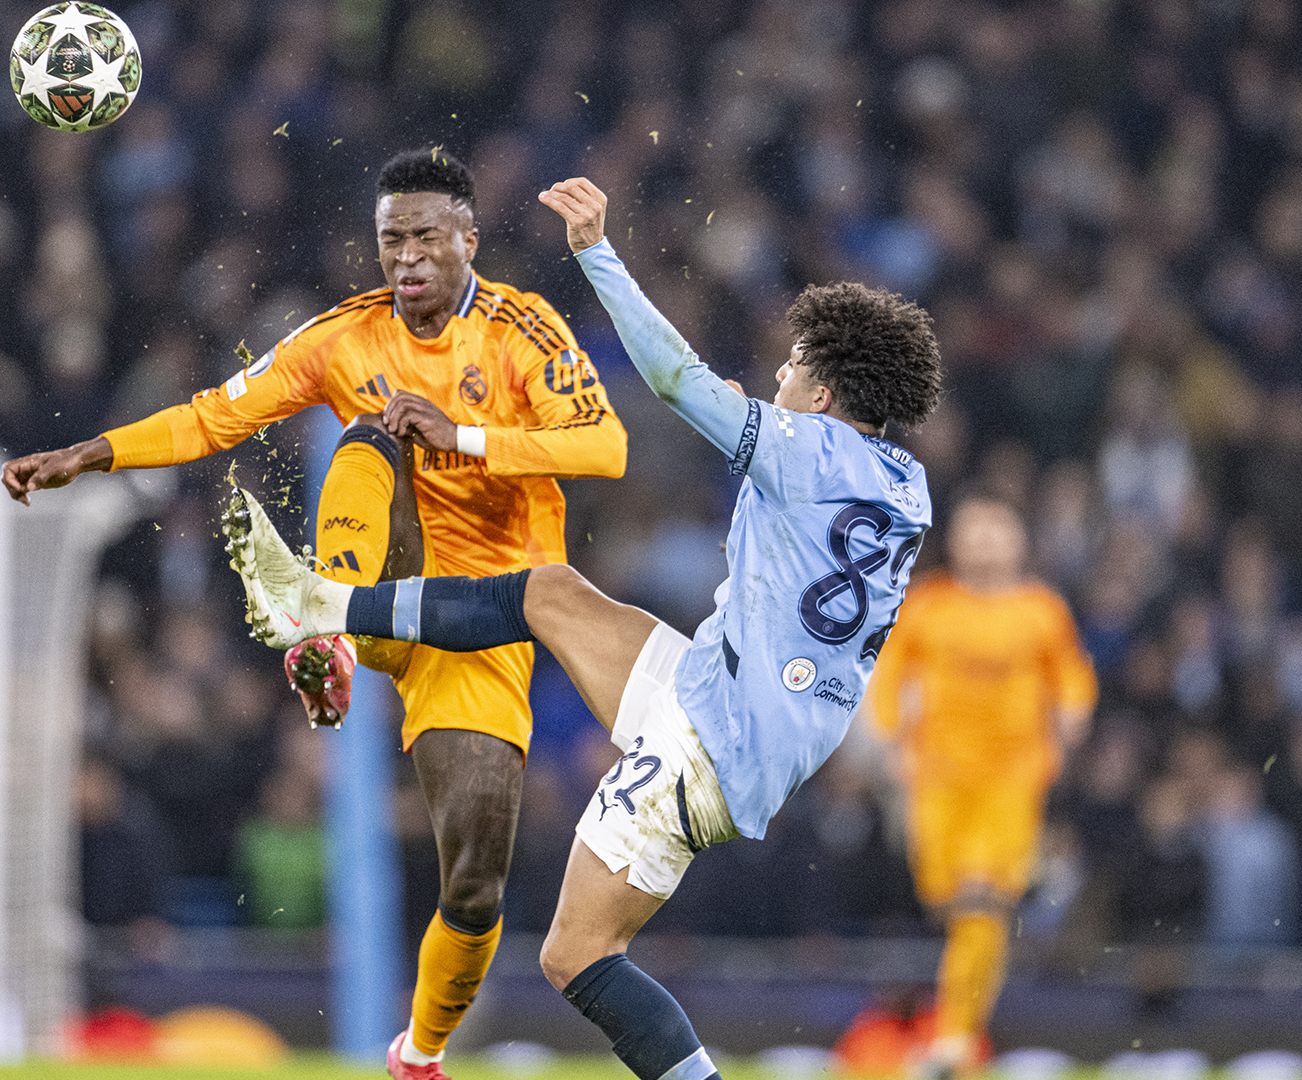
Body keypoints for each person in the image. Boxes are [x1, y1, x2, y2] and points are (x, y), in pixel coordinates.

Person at [222, 176, 942, 1080]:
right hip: (733, 703)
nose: (780, 377)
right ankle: (325, 604)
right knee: (549, 591)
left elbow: (677, 382)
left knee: (576, 957)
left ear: (828, 396)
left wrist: (597, 251)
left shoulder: (806, 449)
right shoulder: (904, 484)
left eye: (795, 368)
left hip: (710, 744)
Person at [0, 150, 626, 1074]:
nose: (405, 257)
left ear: (468, 239)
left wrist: (467, 436)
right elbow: (215, 416)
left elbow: (603, 446)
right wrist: (92, 451)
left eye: (423, 238)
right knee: (372, 429)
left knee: (477, 881)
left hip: (486, 623)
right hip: (380, 581)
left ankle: (419, 1052)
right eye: (390, 241)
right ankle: (322, 616)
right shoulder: (345, 336)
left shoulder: (520, 328)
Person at [865, 498, 1097, 1077]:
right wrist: (892, 738)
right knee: (954, 907)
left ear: (1020, 541)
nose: (988, 543)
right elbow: (890, 673)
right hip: (938, 780)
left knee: (983, 900)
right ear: (957, 542)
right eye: (976, 532)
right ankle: (959, 1041)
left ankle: (952, 1040)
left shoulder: (1041, 610)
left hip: (1011, 780)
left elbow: (1071, 677)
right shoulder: (928, 606)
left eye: (999, 531)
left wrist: (1071, 718)